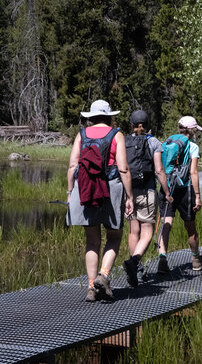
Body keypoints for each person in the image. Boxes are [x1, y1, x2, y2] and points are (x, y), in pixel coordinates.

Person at [66, 99, 135, 301]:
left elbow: (72, 166)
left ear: (91, 117)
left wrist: (71, 192)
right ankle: (103, 275)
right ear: (109, 116)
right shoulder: (116, 135)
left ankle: (90, 287)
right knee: (114, 235)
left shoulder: (82, 134)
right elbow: (123, 168)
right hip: (110, 188)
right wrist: (129, 197)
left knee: (92, 240)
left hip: (86, 189)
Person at [121, 109, 171, 287]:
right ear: (148, 125)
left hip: (128, 192)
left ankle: (138, 270)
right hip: (147, 191)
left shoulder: (124, 141)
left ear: (131, 125)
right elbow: (159, 170)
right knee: (147, 232)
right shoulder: (154, 142)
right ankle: (134, 262)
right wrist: (166, 192)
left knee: (133, 231)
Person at [156, 115, 202, 275]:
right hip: (185, 189)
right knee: (190, 227)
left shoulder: (167, 143)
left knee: (166, 224)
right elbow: (193, 172)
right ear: (192, 131)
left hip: (167, 188)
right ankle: (196, 260)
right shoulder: (192, 146)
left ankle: (162, 257)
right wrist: (197, 195)